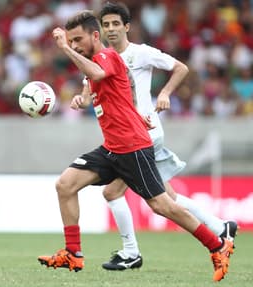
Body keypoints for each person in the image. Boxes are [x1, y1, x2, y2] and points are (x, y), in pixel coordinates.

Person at [37, 10, 234, 282]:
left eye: (78, 40)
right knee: (65, 185)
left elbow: (95, 71)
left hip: (132, 147)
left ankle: (216, 244)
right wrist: (134, 114)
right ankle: (73, 253)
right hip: (112, 148)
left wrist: (63, 49)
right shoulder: (102, 62)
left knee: (163, 205)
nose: (74, 46)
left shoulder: (104, 57)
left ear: (95, 36)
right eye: (71, 42)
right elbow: (124, 86)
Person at [98, 2, 237, 271]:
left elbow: (181, 68)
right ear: (102, 30)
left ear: (126, 27)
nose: (111, 29)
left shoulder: (141, 53)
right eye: (106, 25)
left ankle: (130, 252)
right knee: (168, 198)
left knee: (113, 192)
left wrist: (164, 93)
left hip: (144, 134)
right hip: (132, 134)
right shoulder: (103, 58)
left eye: (116, 24)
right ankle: (222, 227)